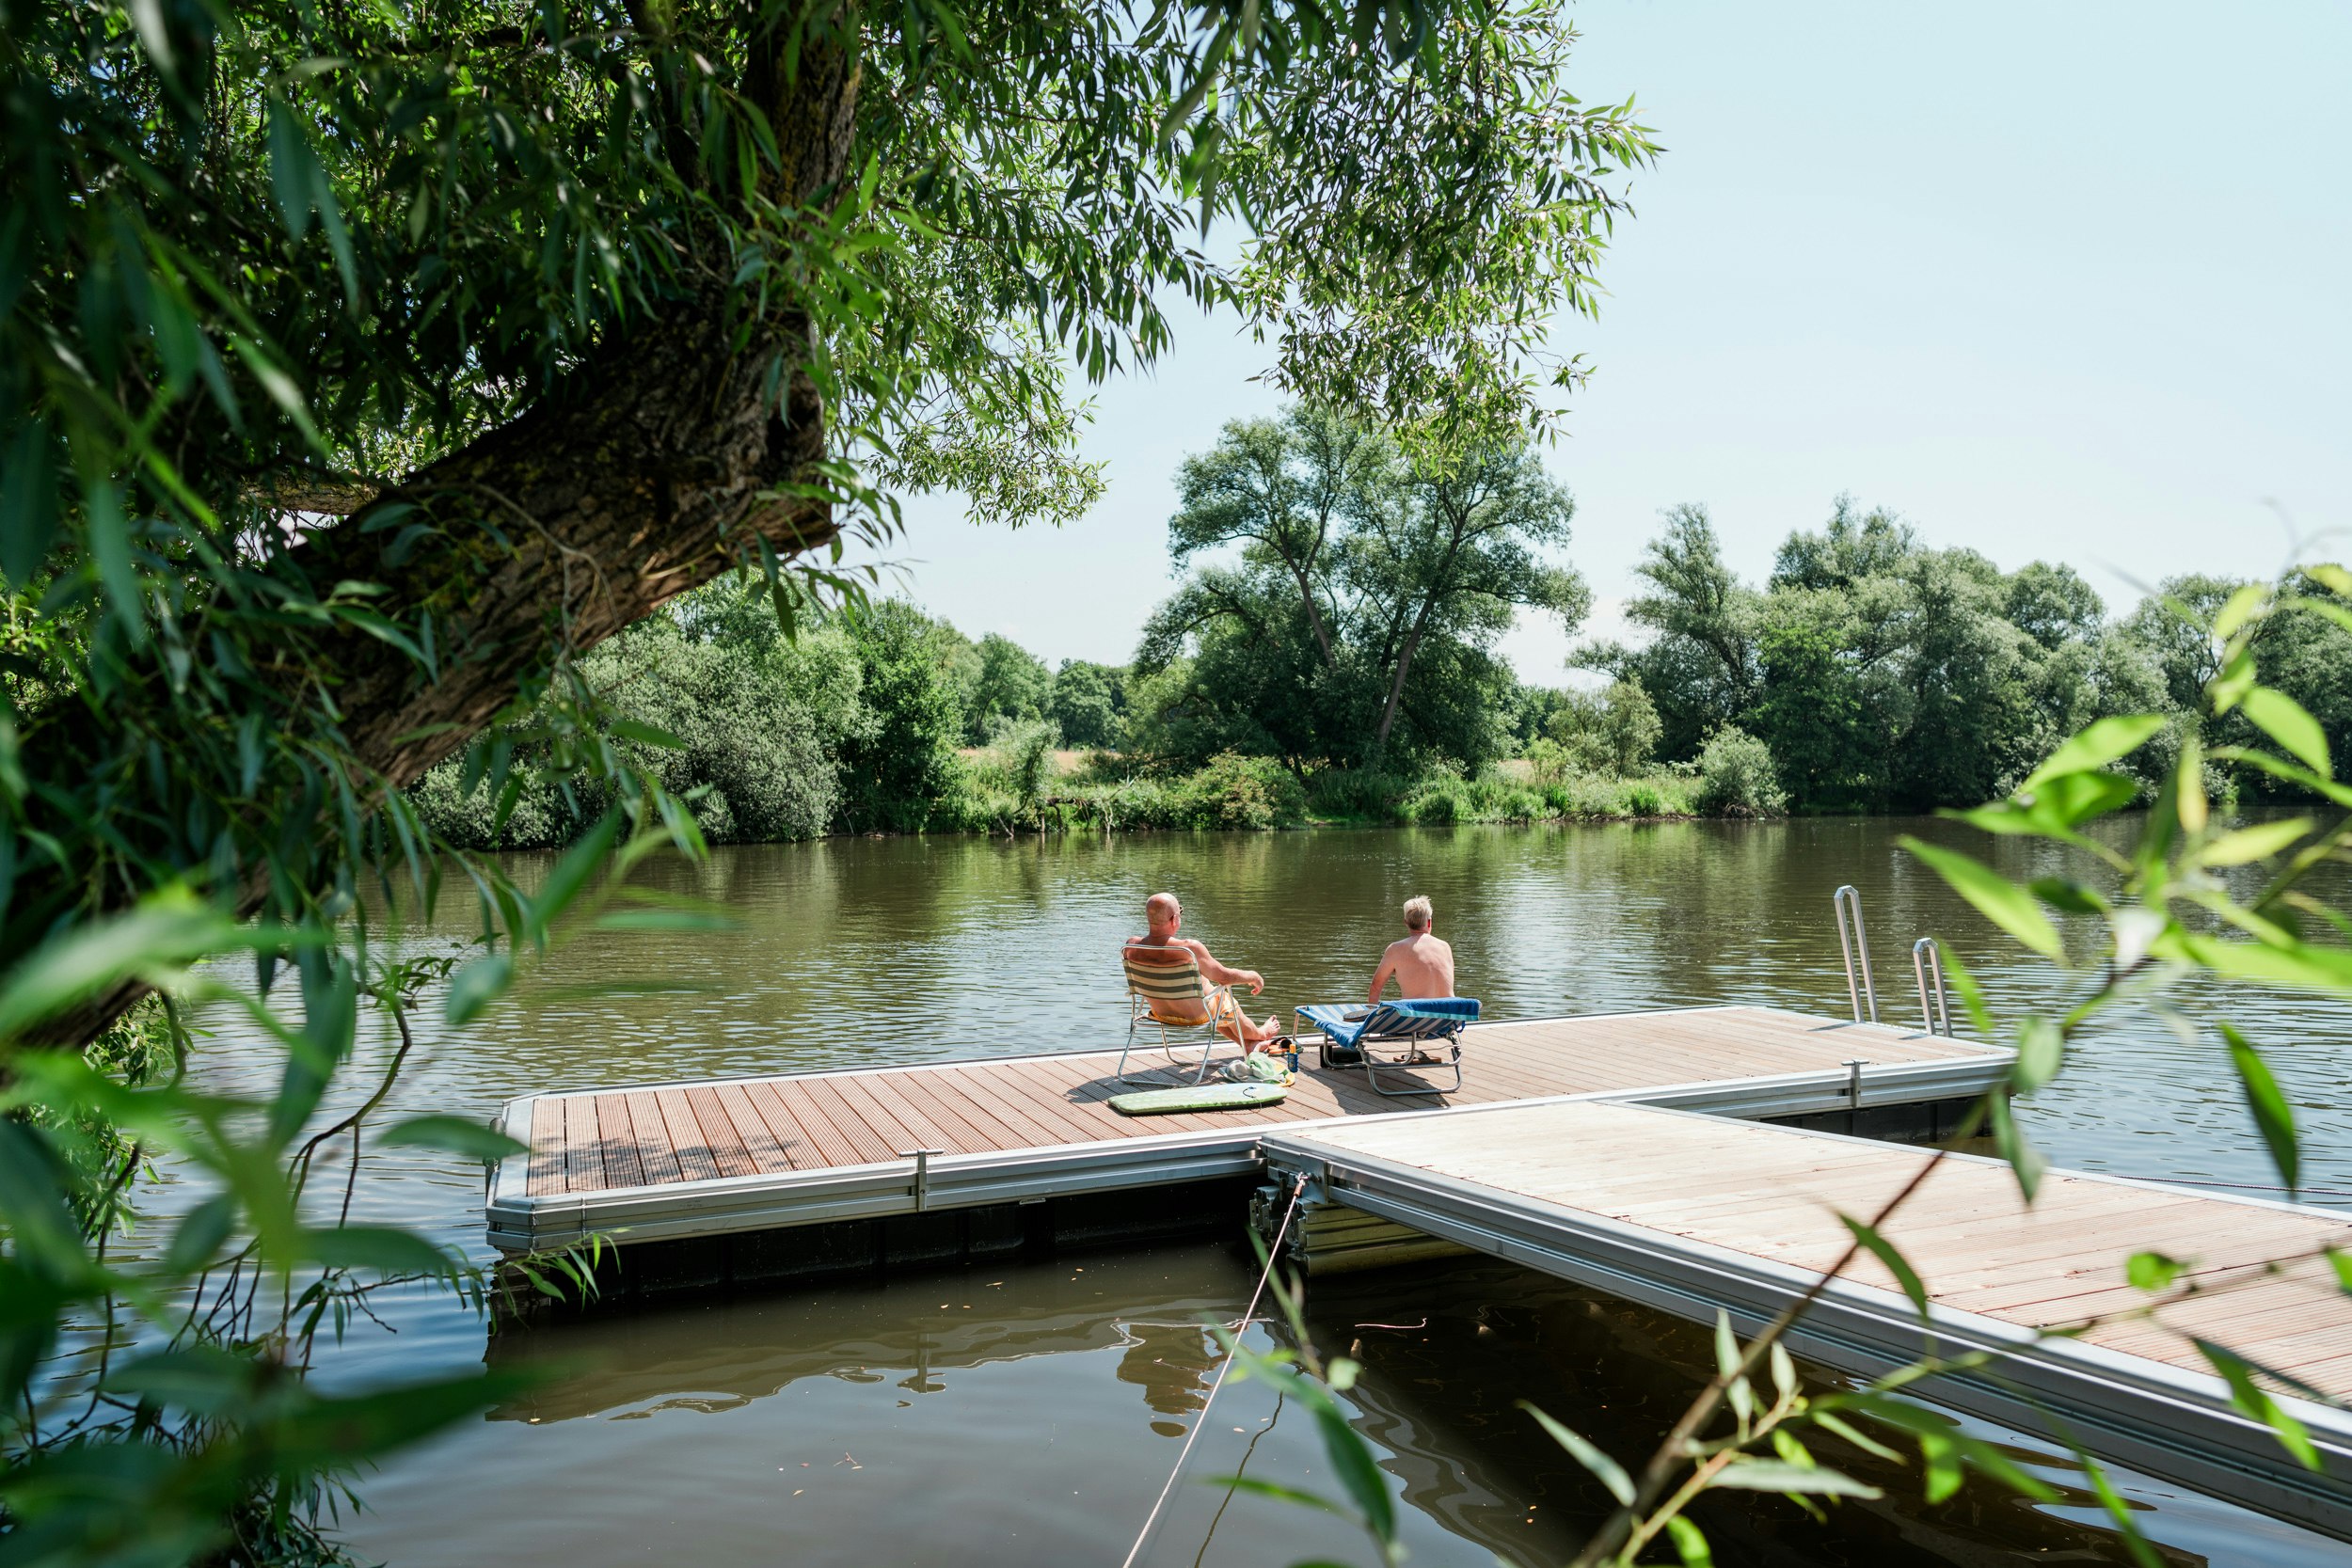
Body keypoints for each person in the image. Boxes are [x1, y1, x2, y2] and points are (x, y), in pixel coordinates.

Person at [1123, 892, 1284, 1049]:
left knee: (1213, 1001)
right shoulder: (1189, 949)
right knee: (1222, 999)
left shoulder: (1131, 947)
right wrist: (1253, 976)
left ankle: (1248, 1046)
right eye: (1180, 912)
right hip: (1195, 1016)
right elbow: (1224, 977)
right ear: (1174, 919)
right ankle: (1261, 1034)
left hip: (1160, 1014)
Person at [1369, 895, 1455, 1003]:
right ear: (1429, 922)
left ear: (1406, 922)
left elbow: (1375, 986)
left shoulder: (1395, 949)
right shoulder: (1445, 947)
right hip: (1450, 1017)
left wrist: (1372, 1016)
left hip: (1416, 1018)